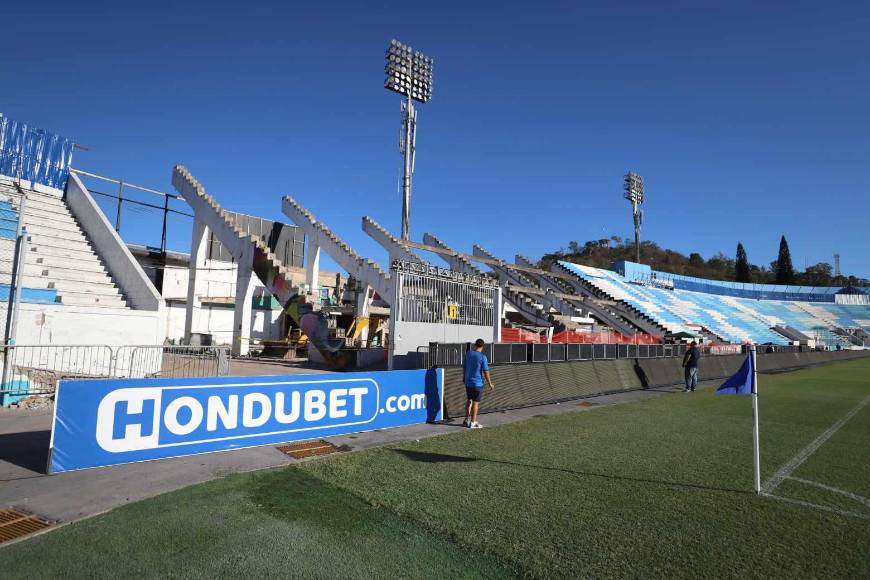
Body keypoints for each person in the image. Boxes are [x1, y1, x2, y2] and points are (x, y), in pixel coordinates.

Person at [463, 338, 495, 428]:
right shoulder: (482, 357)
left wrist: (464, 377)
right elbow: (486, 371)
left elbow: (464, 367)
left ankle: (466, 420)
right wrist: (490, 383)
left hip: (468, 383)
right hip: (477, 384)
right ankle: (473, 422)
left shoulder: (468, 354)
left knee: (469, 400)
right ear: (482, 346)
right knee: (475, 403)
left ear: (475, 345)